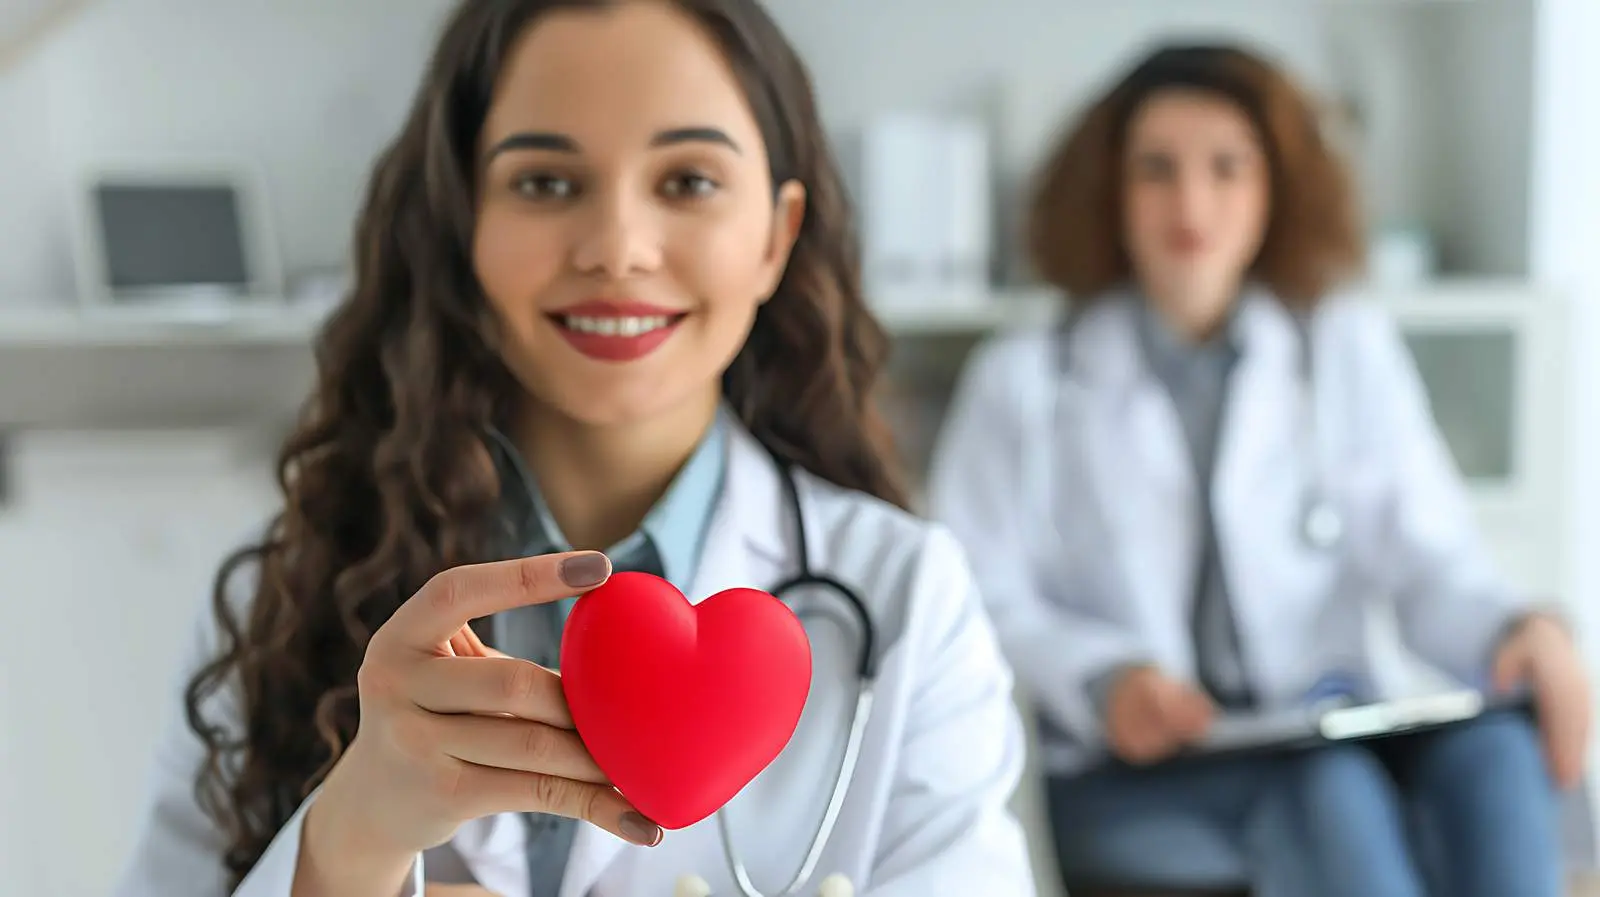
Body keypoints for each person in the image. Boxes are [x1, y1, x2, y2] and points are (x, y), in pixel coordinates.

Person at [109, 2, 1037, 895]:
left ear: (774, 237)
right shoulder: (295, 577)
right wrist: (352, 843)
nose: (617, 247)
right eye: (546, 183)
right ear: (462, 223)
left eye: (689, 181)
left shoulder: (908, 596)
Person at [926, 42, 1591, 897]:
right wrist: (1105, 678)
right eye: (1156, 170)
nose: (1191, 201)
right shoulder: (1024, 378)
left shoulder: (1341, 346)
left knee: (1497, 754)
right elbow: (974, 602)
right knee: (1330, 794)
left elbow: (1428, 557)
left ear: (1276, 187)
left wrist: (1515, 631)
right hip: (1128, 772)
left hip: (1325, 722)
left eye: (1227, 168)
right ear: (1111, 193)